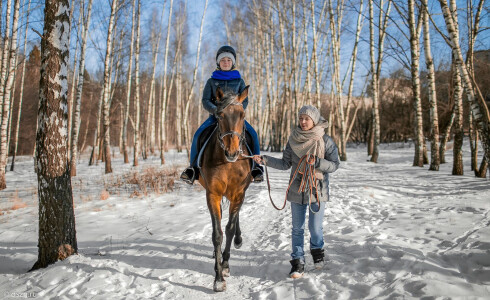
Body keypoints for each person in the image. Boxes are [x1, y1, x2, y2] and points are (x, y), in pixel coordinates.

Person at [253, 105, 340, 279]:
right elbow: (285, 164)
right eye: (301, 118)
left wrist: (317, 162)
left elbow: (334, 165)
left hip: (317, 190)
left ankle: (317, 252)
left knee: (315, 227)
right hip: (296, 189)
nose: (303, 121)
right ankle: (298, 262)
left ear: (314, 120)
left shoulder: (325, 140)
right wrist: (265, 160)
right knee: (297, 229)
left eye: (306, 118)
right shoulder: (293, 140)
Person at [180, 45, 263, 184]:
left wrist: (237, 112)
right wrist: (215, 111)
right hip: (216, 117)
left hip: (235, 119)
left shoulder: (239, 81)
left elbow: (245, 99)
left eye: (228, 60)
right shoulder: (211, 81)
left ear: (233, 63)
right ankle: (192, 169)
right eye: (223, 60)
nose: (226, 62)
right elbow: (205, 100)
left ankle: (256, 168)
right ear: (219, 63)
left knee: (253, 134)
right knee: (198, 134)